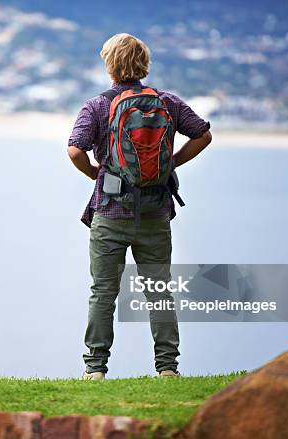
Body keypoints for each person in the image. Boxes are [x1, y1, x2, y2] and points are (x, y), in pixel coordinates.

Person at [67, 33, 212, 380]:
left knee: (103, 292)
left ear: (110, 65)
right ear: (143, 64)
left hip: (110, 212)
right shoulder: (168, 102)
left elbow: (75, 149)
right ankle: (167, 368)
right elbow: (203, 134)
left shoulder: (97, 106)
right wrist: (171, 164)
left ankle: (95, 369)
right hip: (155, 212)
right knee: (159, 291)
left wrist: (95, 175)